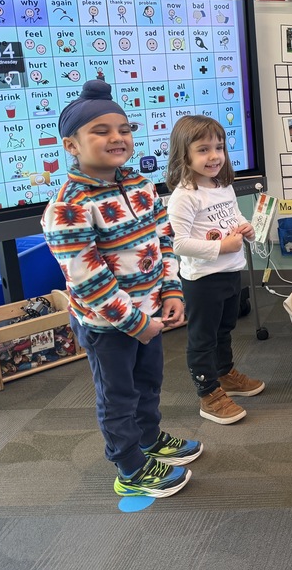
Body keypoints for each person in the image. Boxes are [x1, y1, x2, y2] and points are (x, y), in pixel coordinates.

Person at [42, 80, 201, 498]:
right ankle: (129, 466)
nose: (117, 137)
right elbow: (88, 278)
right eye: (101, 130)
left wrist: (171, 292)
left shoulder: (140, 185)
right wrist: (133, 322)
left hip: (149, 314)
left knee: (149, 383)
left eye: (124, 128)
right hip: (109, 325)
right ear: (71, 145)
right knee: (118, 396)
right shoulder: (68, 205)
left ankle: (148, 440)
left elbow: (163, 240)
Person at [166, 115, 262, 425]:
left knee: (225, 329)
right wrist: (220, 247)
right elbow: (179, 244)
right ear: (185, 154)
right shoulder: (184, 196)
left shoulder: (223, 185)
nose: (214, 156)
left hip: (231, 271)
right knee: (203, 337)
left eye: (219, 147)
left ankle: (224, 374)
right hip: (203, 279)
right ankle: (208, 393)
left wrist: (245, 229)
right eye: (204, 149)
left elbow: (231, 219)